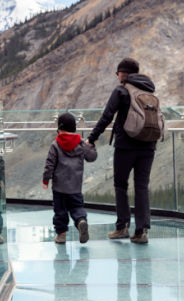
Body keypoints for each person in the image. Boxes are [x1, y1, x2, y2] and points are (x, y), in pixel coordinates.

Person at [86, 57, 157, 244]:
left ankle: (122, 227)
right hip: (148, 145)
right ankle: (141, 231)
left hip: (126, 146)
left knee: (121, 185)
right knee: (141, 186)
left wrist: (91, 139)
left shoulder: (121, 90)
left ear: (122, 73)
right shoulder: (149, 90)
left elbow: (107, 116)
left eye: (118, 72)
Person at [42, 112, 97, 244]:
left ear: (59, 128)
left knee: (60, 212)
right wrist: (91, 145)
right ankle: (81, 221)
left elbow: (50, 163)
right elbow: (92, 157)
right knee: (77, 207)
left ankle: (61, 235)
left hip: (59, 187)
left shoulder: (55, 144)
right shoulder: (81, 143)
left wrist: (46, 179)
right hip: (75, 187)